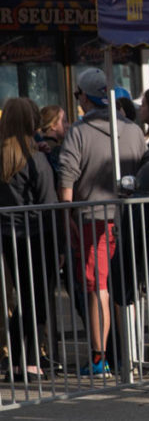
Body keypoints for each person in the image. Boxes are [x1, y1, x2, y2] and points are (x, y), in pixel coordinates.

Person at [58, 68, 149, 376]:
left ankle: (100, 358)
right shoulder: (134, 130)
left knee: (98, 289)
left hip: (93, 220)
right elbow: (146, 170)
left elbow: (66, 180)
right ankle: (124, 357)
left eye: (78, 96)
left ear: (85, 97)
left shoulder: (78, 132)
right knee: (121, 289)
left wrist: (65, 216)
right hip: (129, 219)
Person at [1, 97, 59, 381]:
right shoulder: (36, 160)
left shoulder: (7, 157)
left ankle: (15, 362)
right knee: (36, 299)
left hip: (7, 237)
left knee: (22, 299)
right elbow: (50, 204)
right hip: (36, 236)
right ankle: (33, 361)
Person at [36, 104, 67, 176]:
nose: (68, 125)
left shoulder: (38, 145)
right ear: (53, 126)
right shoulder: (56, 150)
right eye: (64, 121)